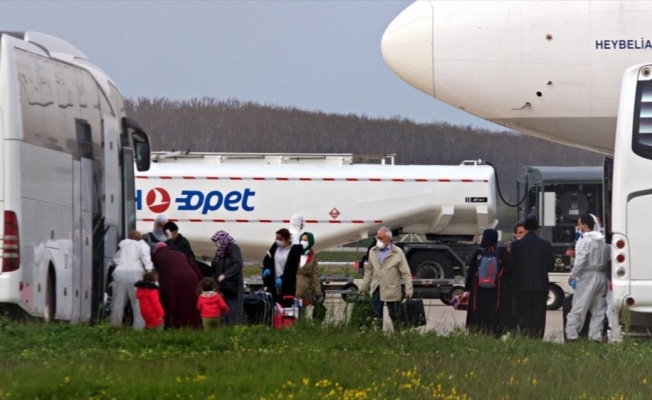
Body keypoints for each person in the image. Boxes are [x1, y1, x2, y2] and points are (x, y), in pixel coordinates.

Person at [565, 214, 609, 342]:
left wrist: (573, 275)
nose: (578, 227)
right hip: (601, 275)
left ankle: (572, 335)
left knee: (579, 306)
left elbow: (580, 260)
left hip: (588, 276)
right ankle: (596, 336)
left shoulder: (585, 240)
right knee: (599, 309)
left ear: (584, 225)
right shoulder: (602, 240)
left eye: (579, 224)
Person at [359, 226, 413, 330]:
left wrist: (408, 289)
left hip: (392, 289)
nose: (378, 240)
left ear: (388, 239)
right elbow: (369, 272)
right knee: (376, 315)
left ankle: (397, 335)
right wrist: (364, 288)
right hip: (377, 288)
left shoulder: (397, 252)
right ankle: (378, 336)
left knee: (395, 315)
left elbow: (406, 273)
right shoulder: (372, 252)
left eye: (381, 238)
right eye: (377, 237)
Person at [510, 216, 554, 339]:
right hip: (540, 286)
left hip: (522, 286)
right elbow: (550, 266)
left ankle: (525, 336)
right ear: (536, 229)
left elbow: (512, 265)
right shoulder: (545, 245)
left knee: (524, 313)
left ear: (526, 228)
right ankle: (537, 337)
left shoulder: (517, 245)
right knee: (538, 314)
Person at [464, 229, 513, 336]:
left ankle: (476, 330)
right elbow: (510, 268)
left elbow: (471, 272)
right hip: (495, 289)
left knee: (478, 309)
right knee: (494, 310)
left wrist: (467, 289)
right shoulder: (501, 251)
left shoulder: (479, 252)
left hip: (478, 290)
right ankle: (495, 331)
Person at [151, 242, 203, 329]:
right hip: (191, 278)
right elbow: (195, 268)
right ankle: (194, 325)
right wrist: (200, 281)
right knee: (190, 302)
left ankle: (174, 325)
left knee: (173, 302)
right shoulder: (180, 254)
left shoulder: (156, 256)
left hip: (172, 280)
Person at [110, 230, 153, 329]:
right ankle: (138, 328)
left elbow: (115, 259)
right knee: (137, 303)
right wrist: (149, 270)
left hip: (119, 273)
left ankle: (114, 326)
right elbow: (146, 258)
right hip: (135, 273)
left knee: (118, 302)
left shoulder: (123, 245)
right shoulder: (142, 245)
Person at [211, 230, 246, 325]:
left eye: (218, 241)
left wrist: (226, 275)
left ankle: (236, 326)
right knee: (223, 308)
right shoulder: (219, 252)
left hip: (233, 284)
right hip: (222, 285)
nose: (217, 244)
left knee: (234, 307)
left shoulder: (233, 248)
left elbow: (238, 264)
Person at [262, 228, 303, 303]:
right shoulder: (275, 247)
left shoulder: (294, 251)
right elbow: (267, 258)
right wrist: (267, 268)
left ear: (286, 239)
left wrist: (282, 278)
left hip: (287, 285)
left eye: (280, 239)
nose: (277, 240)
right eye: (276, 238)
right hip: (273, 284)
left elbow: (292, 269)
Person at [295, 232, 323, 309]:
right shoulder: (295, 253)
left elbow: (315, 274)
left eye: (306, 240)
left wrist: (318, 291)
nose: (303, 242)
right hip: (293, 288)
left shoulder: (313, 257)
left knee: (302, 312)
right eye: (302, 239)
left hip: (305, 290)